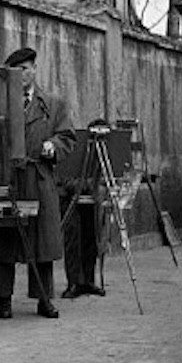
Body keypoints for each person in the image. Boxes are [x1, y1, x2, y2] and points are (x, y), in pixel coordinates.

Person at [0, 46, 76, 319]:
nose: (21, 75)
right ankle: (4, 299)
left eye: (25, 69)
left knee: (42, 243)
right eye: (15, 70)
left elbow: (68, 136)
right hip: (7, 177)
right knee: (5, 240)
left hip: (39, 178)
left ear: (35, 70)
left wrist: (53, 145)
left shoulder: (52, 103)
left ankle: (43, 299)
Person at [59, 120, 108, 298]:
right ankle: (74, 282)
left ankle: (88, 280)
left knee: (91, 239)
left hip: (92, 202)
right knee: (73, 240)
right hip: (70, 199)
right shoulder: (76, 149)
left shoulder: (105, 154)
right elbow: (65, 178)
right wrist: (86, 184)